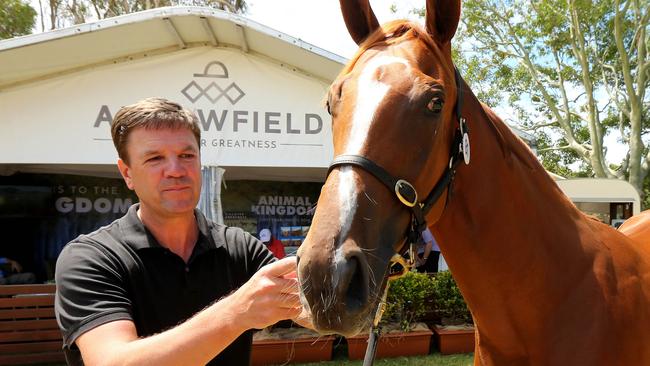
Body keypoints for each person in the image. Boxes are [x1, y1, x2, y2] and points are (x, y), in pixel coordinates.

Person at [54, 98, 310, 366]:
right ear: (127, 173)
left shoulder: (240, 248)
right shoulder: (91, 258)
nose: (176, 171)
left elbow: (315, 309)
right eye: (155, 158)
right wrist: (236, 312)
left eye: (187, 156)